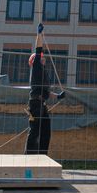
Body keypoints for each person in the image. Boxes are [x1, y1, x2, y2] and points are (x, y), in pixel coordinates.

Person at [24, 25, 63, 156]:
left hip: (42, 104)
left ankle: (42, 156)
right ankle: (28, 157)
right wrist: (39, 35)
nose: (42, 56)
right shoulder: (36, 68)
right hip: (35, 105)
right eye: (39, 56)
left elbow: (45, 92)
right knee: (35, 131)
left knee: (46, 132)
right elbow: (38, 48)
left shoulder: (43, 73)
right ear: (34, 61)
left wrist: (58, 97)